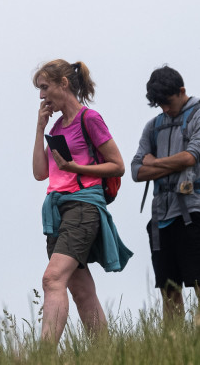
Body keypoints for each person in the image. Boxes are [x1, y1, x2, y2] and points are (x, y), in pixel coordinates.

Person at [32, 59, 128, 346]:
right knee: (80, 291)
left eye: (45, 87)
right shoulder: (58, 127)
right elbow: (40, 173)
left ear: (64, 83)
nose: (41, 95)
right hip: (58, 210)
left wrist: (76, 168)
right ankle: (106, 355)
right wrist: (40, 129)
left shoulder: (90, 119)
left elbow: (118, 165)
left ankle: (44, 358)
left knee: (52, 279)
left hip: (83, 206)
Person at [130, 66, 200, 321]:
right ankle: (174, 347)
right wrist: (169, 163)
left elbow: (191, 157)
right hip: (160, 216)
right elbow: (136, 171)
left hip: (194, 209)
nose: (165, 109)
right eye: (159, 104)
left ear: (182, 91)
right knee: (169, 290)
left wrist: (154, 162)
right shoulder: (153, 126)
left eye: (167, 102)